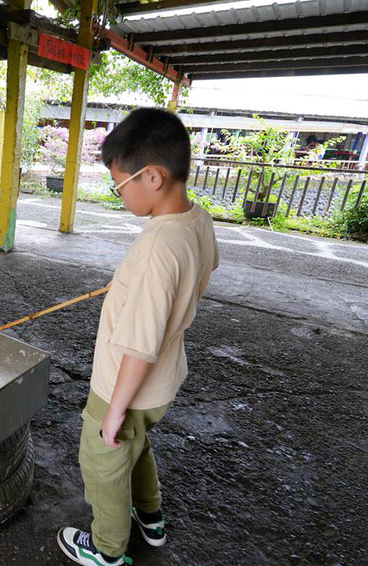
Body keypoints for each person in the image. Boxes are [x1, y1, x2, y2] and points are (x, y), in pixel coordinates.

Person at [56, 108, 219, 566]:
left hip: (124, 386)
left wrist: (115, 410)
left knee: (104, 460)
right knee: (136, 443)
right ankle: (150, 516)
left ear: (152, 177)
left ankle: (107, 549)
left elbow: (139, 345)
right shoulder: (196, 219)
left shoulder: (157, 248)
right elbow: (202, 271)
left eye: (119, 185)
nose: (120, 194)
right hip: (162, 383)